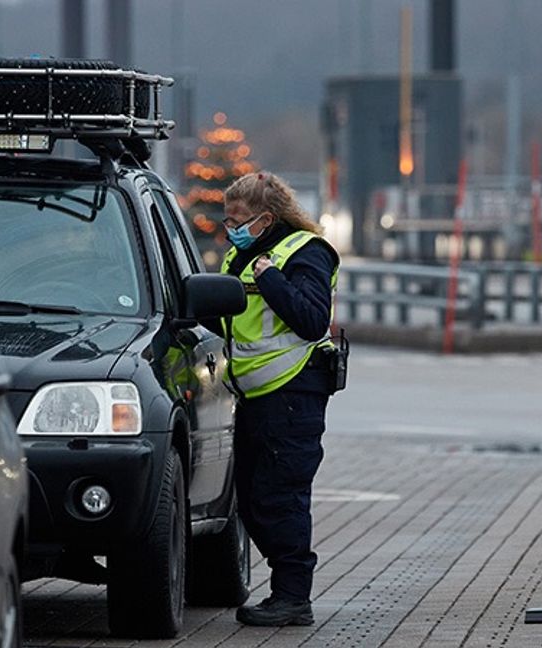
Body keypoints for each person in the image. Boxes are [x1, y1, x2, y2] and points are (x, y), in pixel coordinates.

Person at [216, 172, 340, 627]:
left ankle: (293, 598)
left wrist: (269, 278)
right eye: (227, 219)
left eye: (238, 219)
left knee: (280, 498)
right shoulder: (243, 252)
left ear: (267, 218)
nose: (230, 227)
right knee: (250, 499)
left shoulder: (305, 252)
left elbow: (311, 320)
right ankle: (286, 591)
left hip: (292, 395)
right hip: (256, 395)